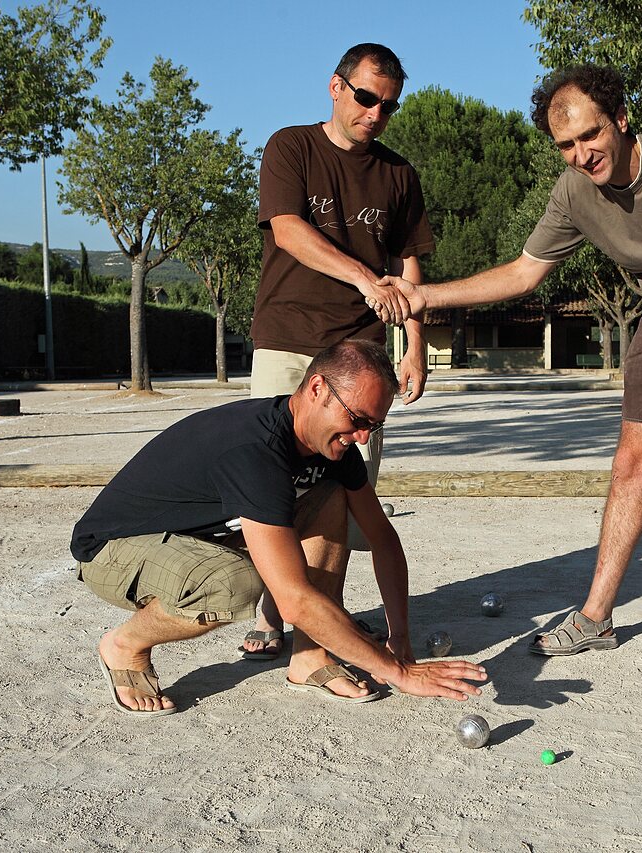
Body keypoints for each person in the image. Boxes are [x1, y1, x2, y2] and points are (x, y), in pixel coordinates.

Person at [371, 65, 642, 671]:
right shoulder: (573, 193)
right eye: (566, 145)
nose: (582, 155)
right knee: (630, 468)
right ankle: (595, 616)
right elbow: (523, 273)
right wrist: (428, 297)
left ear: (621, 120)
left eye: (591, 136)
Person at [72, 340, 486, 716]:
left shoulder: (329, 449)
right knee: (233, 584)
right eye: (357, 419)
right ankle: (125, 645)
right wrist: (398, 673)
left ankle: (310, 657)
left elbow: (384, 540)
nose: (361, 438)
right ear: (317, 389)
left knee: (330, 495)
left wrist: (402, 641)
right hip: (114, 550)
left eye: (373, 426)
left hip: (197, 539)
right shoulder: (255, 450)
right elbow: (291, 600)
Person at [243, 42, 433, 659]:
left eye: (389, 106)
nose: (376, 113)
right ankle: (272, 611)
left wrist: (415, 346)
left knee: (343, 491)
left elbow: (408, 267)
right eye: (366, 97)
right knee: (271, 483)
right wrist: (361, 277)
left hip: (361, 353)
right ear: (336, 86)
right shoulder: (290, 146)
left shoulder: (400, 175)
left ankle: (317, 624)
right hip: (287, 340)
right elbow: (287, 229)